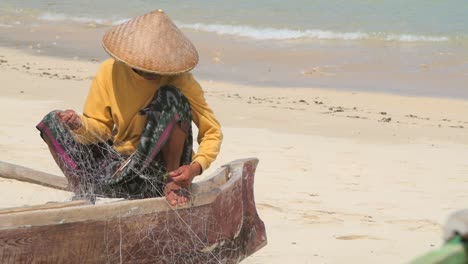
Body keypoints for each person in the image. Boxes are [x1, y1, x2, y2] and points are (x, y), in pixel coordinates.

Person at [36, 10, 223, 206]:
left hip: (157, 170)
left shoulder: (181, 81)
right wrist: (78, 125)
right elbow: (100, 130)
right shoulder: (109, 71)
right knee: (52, 121)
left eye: (157, 68)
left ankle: (171, 185)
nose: (150, 72)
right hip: (120, 168)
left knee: (170, 96)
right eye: (144, 67)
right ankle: (83, 189)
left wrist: (195, 168)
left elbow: (212, 132)